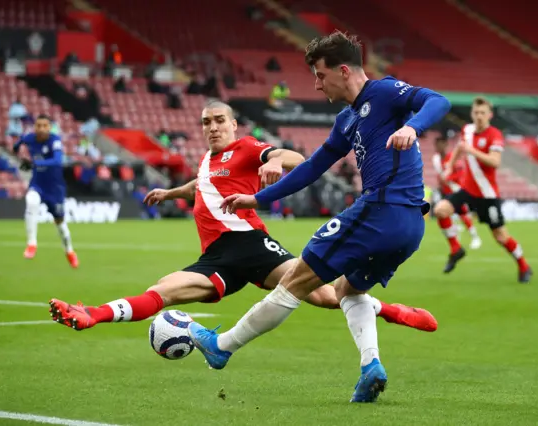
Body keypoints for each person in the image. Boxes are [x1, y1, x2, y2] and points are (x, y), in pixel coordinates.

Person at [185, 31, 451, 403]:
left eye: (320, 76)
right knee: (347, 290)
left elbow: (439, 101)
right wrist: (257, 198)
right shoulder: (346, 120)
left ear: (344, 71)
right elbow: (311, 168)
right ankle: (370, 367)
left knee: (297, 279)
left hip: (381, 211)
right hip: (408, 228)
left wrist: (412, 126)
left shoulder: (387, 92)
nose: (315, 85)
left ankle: (222, 346)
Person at [48, 101, 437, 334]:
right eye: (206, 122)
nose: (213, 127)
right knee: (162, 289)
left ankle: (393, 312)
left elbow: (294, 158)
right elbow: (202, 185)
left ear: (233, 125)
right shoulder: (206, 162)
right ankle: (91, 316)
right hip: (216, 256)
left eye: (219, 120)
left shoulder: (248, 147)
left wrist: (276, 165)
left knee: (325, 295)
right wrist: (172, 192)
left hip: (252, 245)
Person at [432, 97, 532, 282]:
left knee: (501, 237)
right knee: (440, 210)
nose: (479, 116)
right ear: (472, 114)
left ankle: (523, 266)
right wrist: (449, 167)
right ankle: (456, 249)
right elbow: (460, 148)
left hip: (487, 195)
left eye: (482, 113)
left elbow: (495, 161)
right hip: (467, 190)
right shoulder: (467, 130)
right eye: (476, 113)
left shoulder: (494, 135)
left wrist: (472, 150)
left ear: (489, 115)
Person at [13, 114, 79, 267]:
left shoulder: (54, 140)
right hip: (38, 183)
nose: (41, 129)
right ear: (34, 127)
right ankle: (32, 244)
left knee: (60, 224)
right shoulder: (29, 138)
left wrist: (34, 162)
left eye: (45, 126)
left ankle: (69, 251)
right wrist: (17, 151)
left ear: (49, 127)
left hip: (55, 188)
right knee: (31, 201)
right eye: (38, 125)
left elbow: (57, 160)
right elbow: (18, 143)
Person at [432, 134, 482, 252]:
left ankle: (475, 237)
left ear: (445, 145)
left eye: (441, 144)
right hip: (445, 191)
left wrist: (449, 178)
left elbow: (460, 174)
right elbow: (440, 176)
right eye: (437, 144)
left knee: (463, 214)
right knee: (446, 215)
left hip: (455, 191)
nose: (439, 147)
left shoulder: (451, 158)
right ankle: (455, 239)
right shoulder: (436, 159)